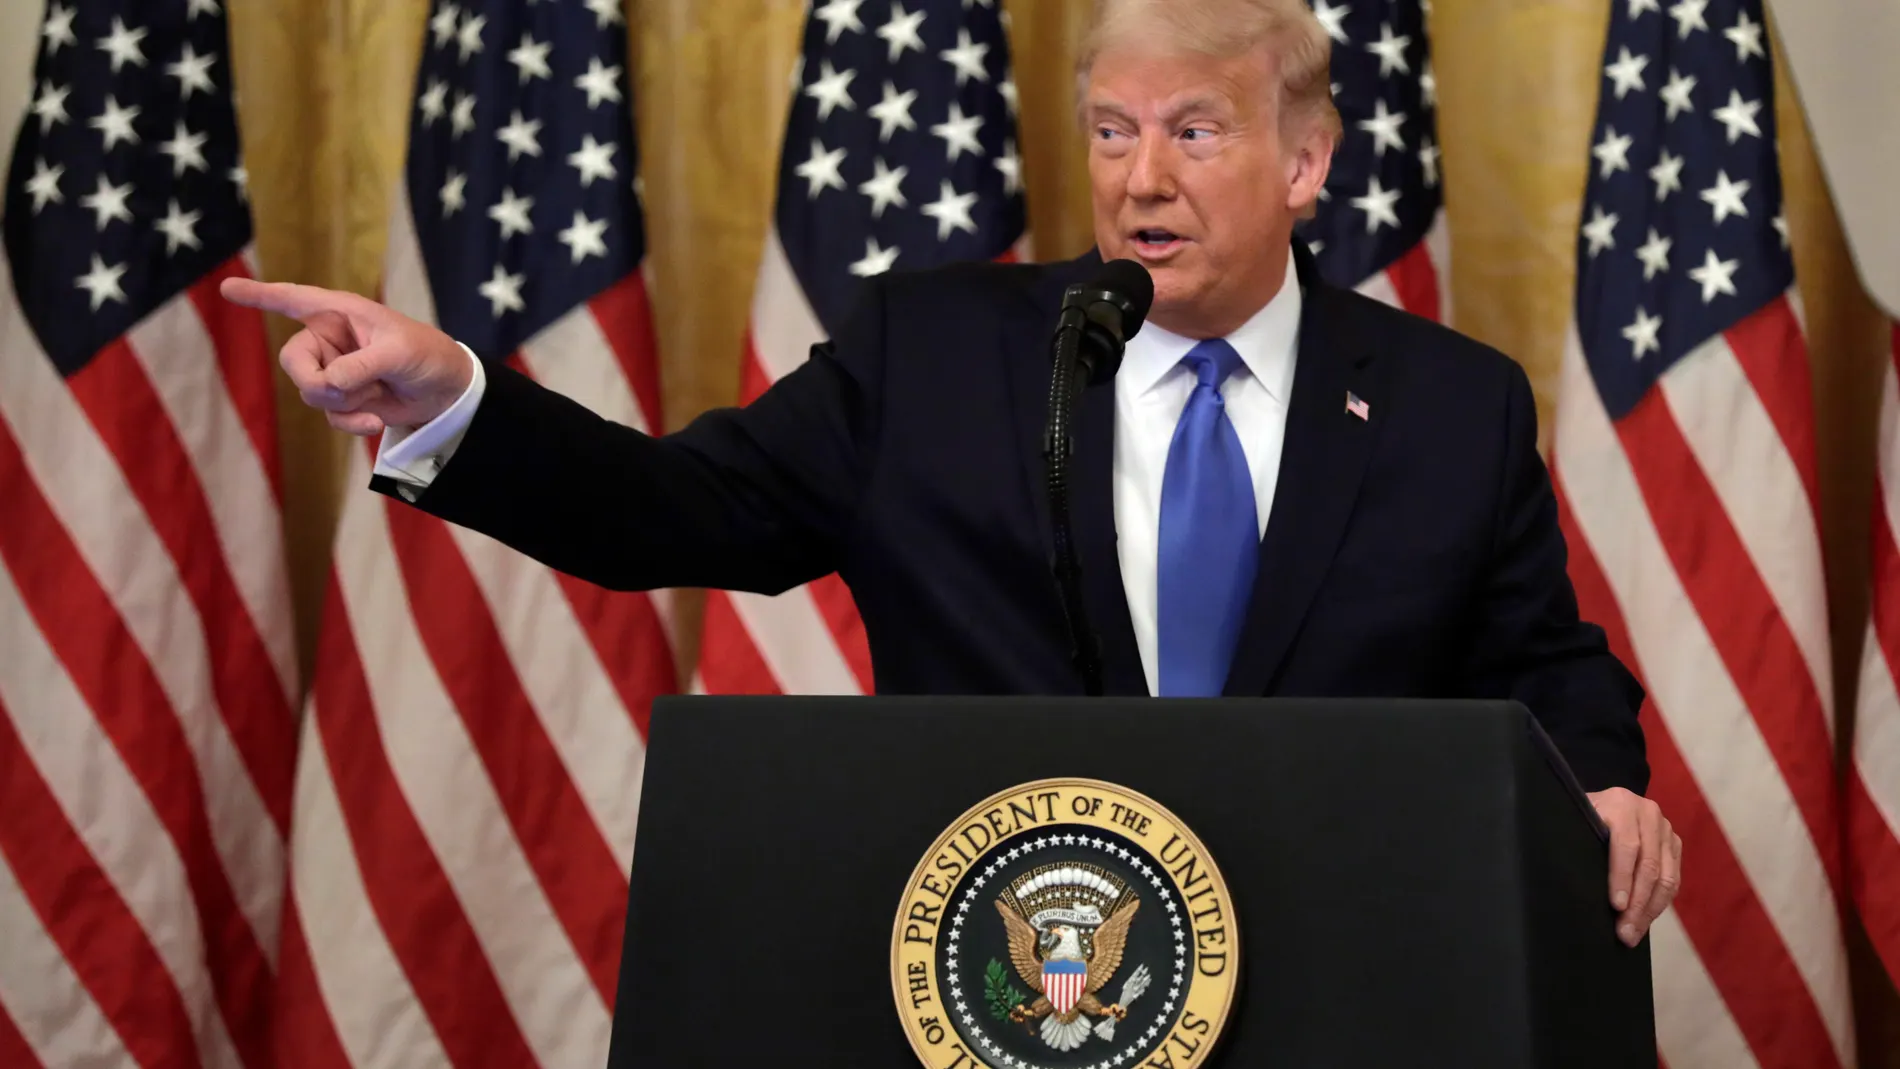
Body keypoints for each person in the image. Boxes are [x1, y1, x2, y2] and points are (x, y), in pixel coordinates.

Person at [224, 0, 1680, 946]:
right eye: (1111, 131)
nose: (1138, 180)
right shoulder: (937, 354)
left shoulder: (1447, 405)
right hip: (1005, 971)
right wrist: (459, 402)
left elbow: (1543, 663)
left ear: (1306, 163)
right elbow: (671, 509)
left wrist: (1602, 788)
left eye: (1193, 131)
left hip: (1338, 976)